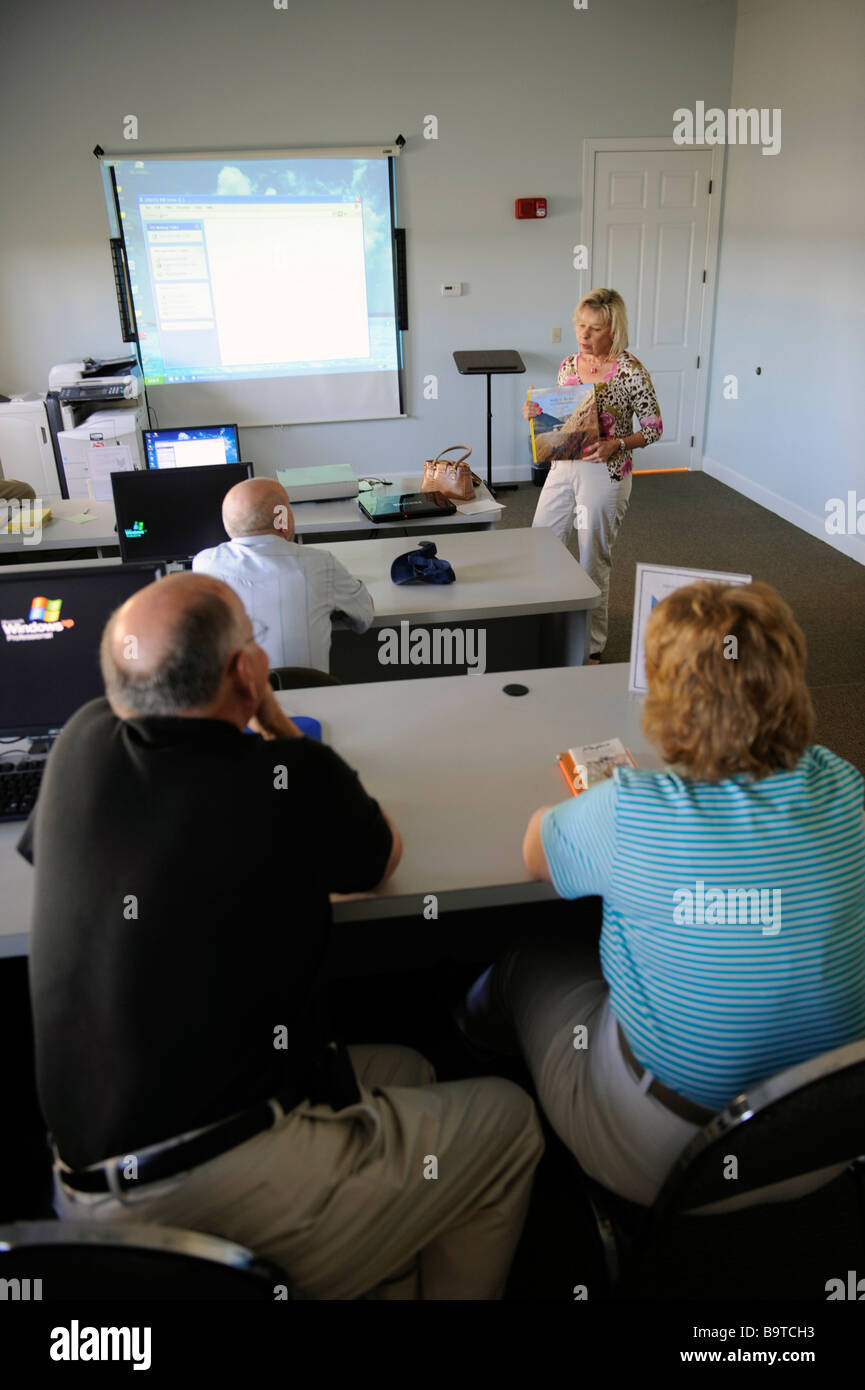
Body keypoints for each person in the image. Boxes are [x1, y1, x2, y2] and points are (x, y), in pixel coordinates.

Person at [18, 572, 543, 1299]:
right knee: (509, 1124)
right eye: (253, 645)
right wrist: (276, 721)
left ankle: (380, 1250)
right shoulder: (289, 776)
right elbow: (377, 859)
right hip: (210, 1190)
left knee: (413, 1070)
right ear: (245, 670)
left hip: (81, 1184)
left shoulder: (78, 743)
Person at [460, 580, 865, 1208]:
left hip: (669, 1154)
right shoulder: (847, 786)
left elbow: (534, 854)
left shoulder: (634, 808)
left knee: (525, 957)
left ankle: (461, 1040)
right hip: (823, 1141)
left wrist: (612, 800)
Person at [524, 288, 663, 661]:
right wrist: (537, 414)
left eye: (595, 329)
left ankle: (591, 646)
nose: (584, 336)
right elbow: (562, 419)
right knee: (541, 544)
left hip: (606, 471)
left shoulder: (631, 371)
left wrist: (617, 443)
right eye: (581, 326)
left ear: (614, 330)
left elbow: (654, 428)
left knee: (592, 559)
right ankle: (547, 626)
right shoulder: (569, 365)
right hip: (563, 465)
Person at [193, 477, 373, 674]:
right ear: (283, 518)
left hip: (239, 702)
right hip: (312, 699)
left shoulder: (204, 564)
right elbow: (364, 617)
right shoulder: (321, 564)